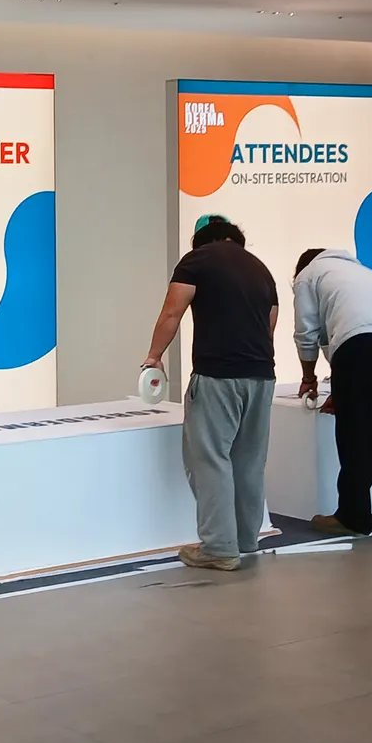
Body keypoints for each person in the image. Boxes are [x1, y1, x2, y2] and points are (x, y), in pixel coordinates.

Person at [141, 215, 278, 571]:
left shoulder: (197, 260)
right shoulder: (260, 269)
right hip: (262, 376)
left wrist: (154, 357)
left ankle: (219, 547)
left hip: (218, 374)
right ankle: (246, 540)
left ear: (201, 240)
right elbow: (270, 325)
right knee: (249, 460)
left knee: (210, 458)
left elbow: (172, 312)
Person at [291, 248, 372, 538]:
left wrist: (308, 378)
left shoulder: (308, 276)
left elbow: (308, 333)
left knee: (357, 433)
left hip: (357, 347)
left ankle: (353, 516)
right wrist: (340, 387)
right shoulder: (364, 273)